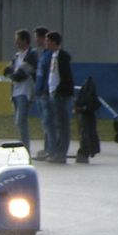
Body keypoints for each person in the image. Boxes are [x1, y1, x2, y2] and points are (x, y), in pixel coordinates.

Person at [2, 29, 38, 154]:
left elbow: (22, 74)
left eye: (17, 40)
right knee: (18, 122)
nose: (15, 43)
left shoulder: (32, 54)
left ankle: (25, 148)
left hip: (25, 92)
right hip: (15, 92)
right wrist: (11, 73)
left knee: (20, 120)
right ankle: (22, 145)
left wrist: (13, 74)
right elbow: (7, 70)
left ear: (24, 40)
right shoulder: (17, 56)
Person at [45, 31, 74, 164]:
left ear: (54, 42)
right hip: (53, 93)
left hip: (60, 95)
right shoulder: (53, 56)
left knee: (63, 125)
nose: (46, 43)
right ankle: (57, 151)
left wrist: (58, 91)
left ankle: (62, 153)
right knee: (57, 124)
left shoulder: (62, 57)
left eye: (48, 41)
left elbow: (66, 77)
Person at [32, 26, 53, 161]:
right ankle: (47, 148)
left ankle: (51, 149)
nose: (35, 40)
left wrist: (45, 90)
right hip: (40, 93)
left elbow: (49, 75)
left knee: (49, 123)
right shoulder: (44, 54)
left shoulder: (50, 55)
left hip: (45, 94)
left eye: (36, 37)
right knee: (45, 123)